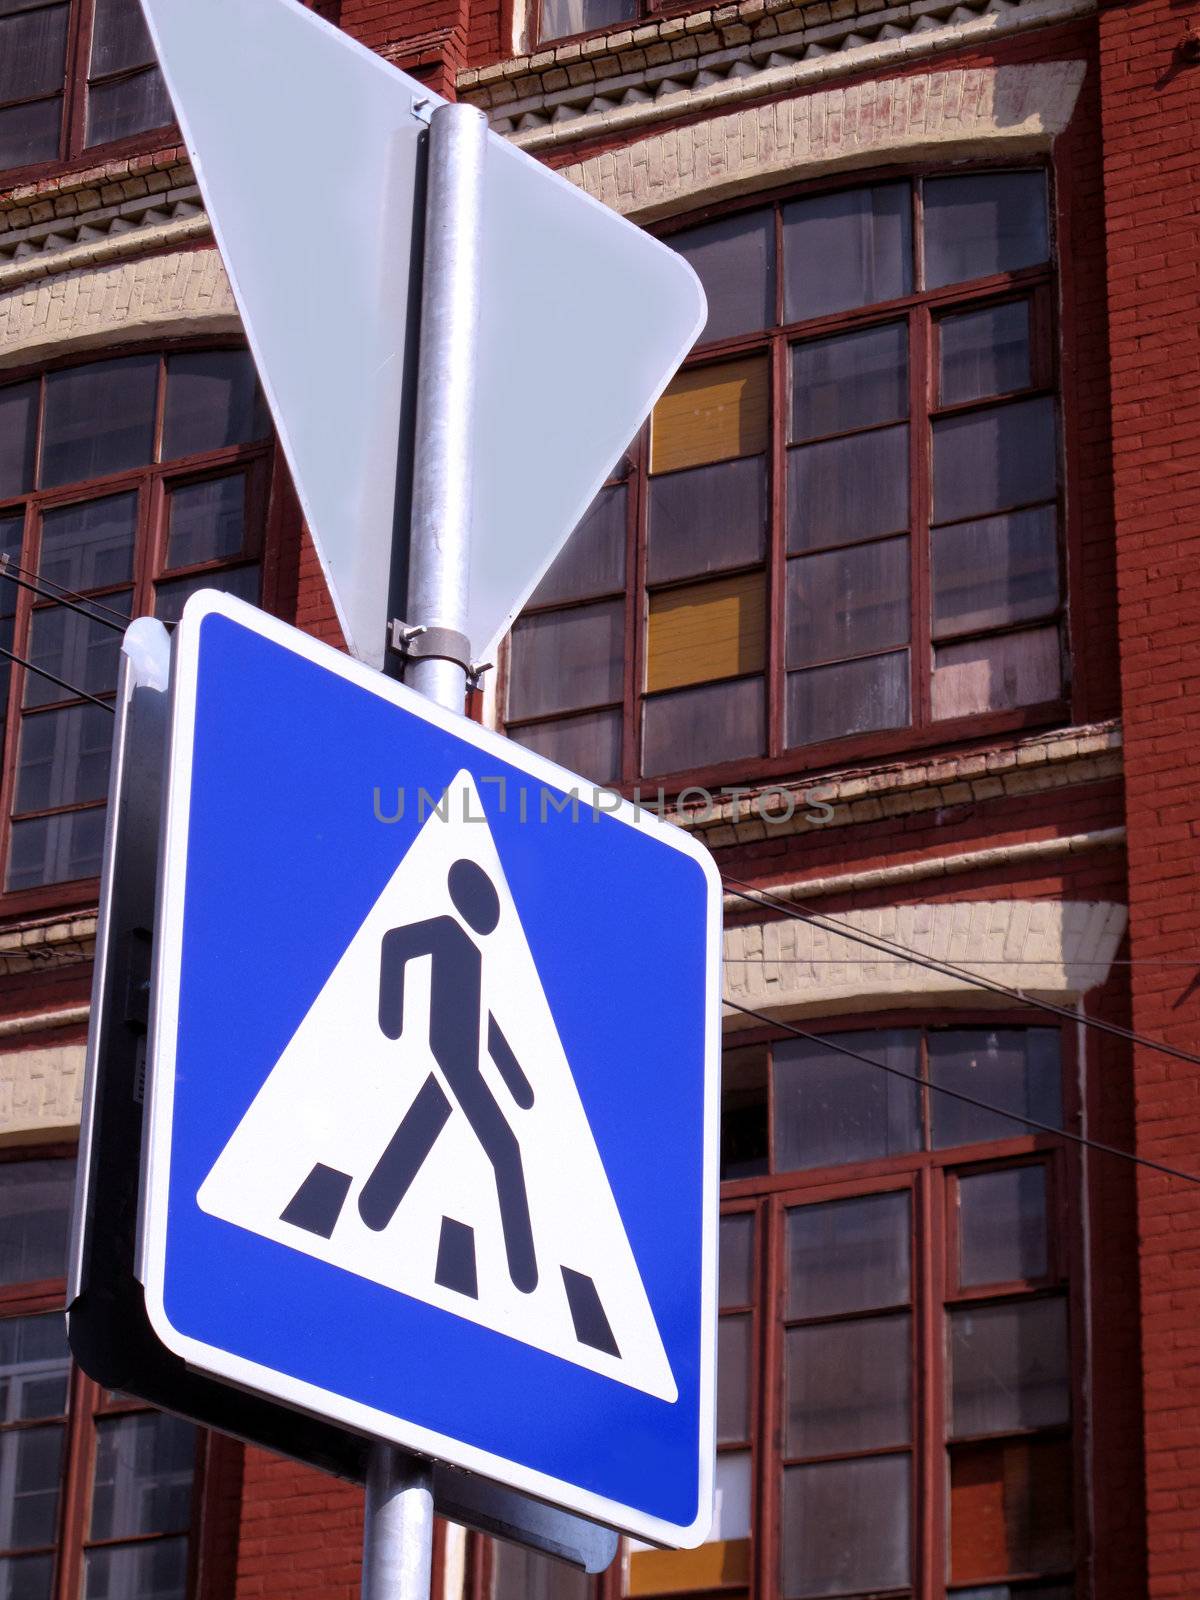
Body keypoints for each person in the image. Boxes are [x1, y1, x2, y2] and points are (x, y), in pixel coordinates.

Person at [357, 858, 538, 1294]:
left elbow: (486, 1026)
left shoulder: (474, 954)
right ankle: (525, 1272)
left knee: (423, 1127)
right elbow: (396, 945)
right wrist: (391, 1018)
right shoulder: (444, 931)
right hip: (451, 1057)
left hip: (462, 1060)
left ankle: (374, 1205)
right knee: (506, 1150)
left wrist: (519, 1084)